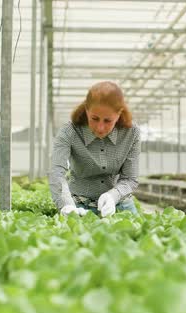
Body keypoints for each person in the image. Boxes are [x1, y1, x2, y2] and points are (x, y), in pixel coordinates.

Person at [49, 81, 141, 217]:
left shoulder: (131, 133)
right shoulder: (69, 131)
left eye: (108, 121)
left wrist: (112, 196)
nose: (100, 127)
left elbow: (130, 179)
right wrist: (67, 205)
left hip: (118, 204)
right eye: (94, 118)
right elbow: (56, 173)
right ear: (86, 109)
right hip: (79, 206)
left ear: (119, 113)